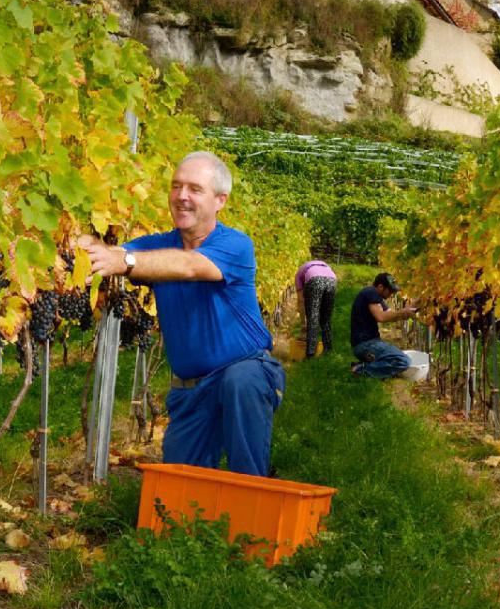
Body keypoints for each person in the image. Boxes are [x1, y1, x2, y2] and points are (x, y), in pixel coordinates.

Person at [78, 151, 285, 477]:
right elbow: (117, 254)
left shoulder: (235, 245)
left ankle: (251, 501)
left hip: (245, 373)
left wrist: (128, 263)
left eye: (194, 189)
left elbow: (190, 267)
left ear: (220, 200)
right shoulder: (158, 245)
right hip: (191, 390)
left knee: (240, 383)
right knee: (177, 495)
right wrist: (80, 243)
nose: (182, 197)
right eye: (176, 187)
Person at [349, 272, 417, 378]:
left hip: (368, 344)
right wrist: (402, 313)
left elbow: (391, 314)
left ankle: (365, 364)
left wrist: (413, 307)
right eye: (390, 291)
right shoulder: (370, 292)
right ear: (380, 287)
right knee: (403, 361)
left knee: (398, 358)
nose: (392, 294)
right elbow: (381, 317)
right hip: (365, 345)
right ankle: (361, 370)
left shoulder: (377, 298)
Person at [294, 259, 336, 358]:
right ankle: (328, 350)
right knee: (326, 319)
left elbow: (300, 300)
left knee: (313, 317)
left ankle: (310, 353)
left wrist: (303, 323)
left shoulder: (298, 274)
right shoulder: (323, 265)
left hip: (314, 280)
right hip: (332, 280)